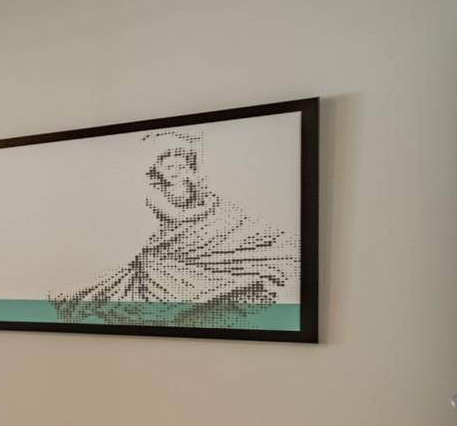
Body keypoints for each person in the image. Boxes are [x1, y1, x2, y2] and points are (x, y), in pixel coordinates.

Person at [52, 130, 295, 327]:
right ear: (158, 170)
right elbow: (176, 217)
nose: (177, 171)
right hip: (173, 244)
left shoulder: (196, 185)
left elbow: (216, 206)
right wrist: (203, 209)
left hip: (204, 237)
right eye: (170, 167)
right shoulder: (154, 193)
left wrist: (206, 199)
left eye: (182, 166)